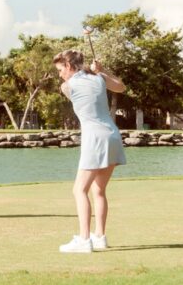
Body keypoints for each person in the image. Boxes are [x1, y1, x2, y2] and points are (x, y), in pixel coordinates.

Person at [53, 49, 127, 253]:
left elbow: (77, 84)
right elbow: (121, 87)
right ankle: (100, 237)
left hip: (94, 139)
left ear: (68, 66)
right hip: (112, 135)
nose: (60, 75)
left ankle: (85, 240)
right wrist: (101, 72)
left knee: (79, 190)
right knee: (98, 190)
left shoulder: (67, 86)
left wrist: (94, 73)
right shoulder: (100, 78)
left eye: (60, 69)